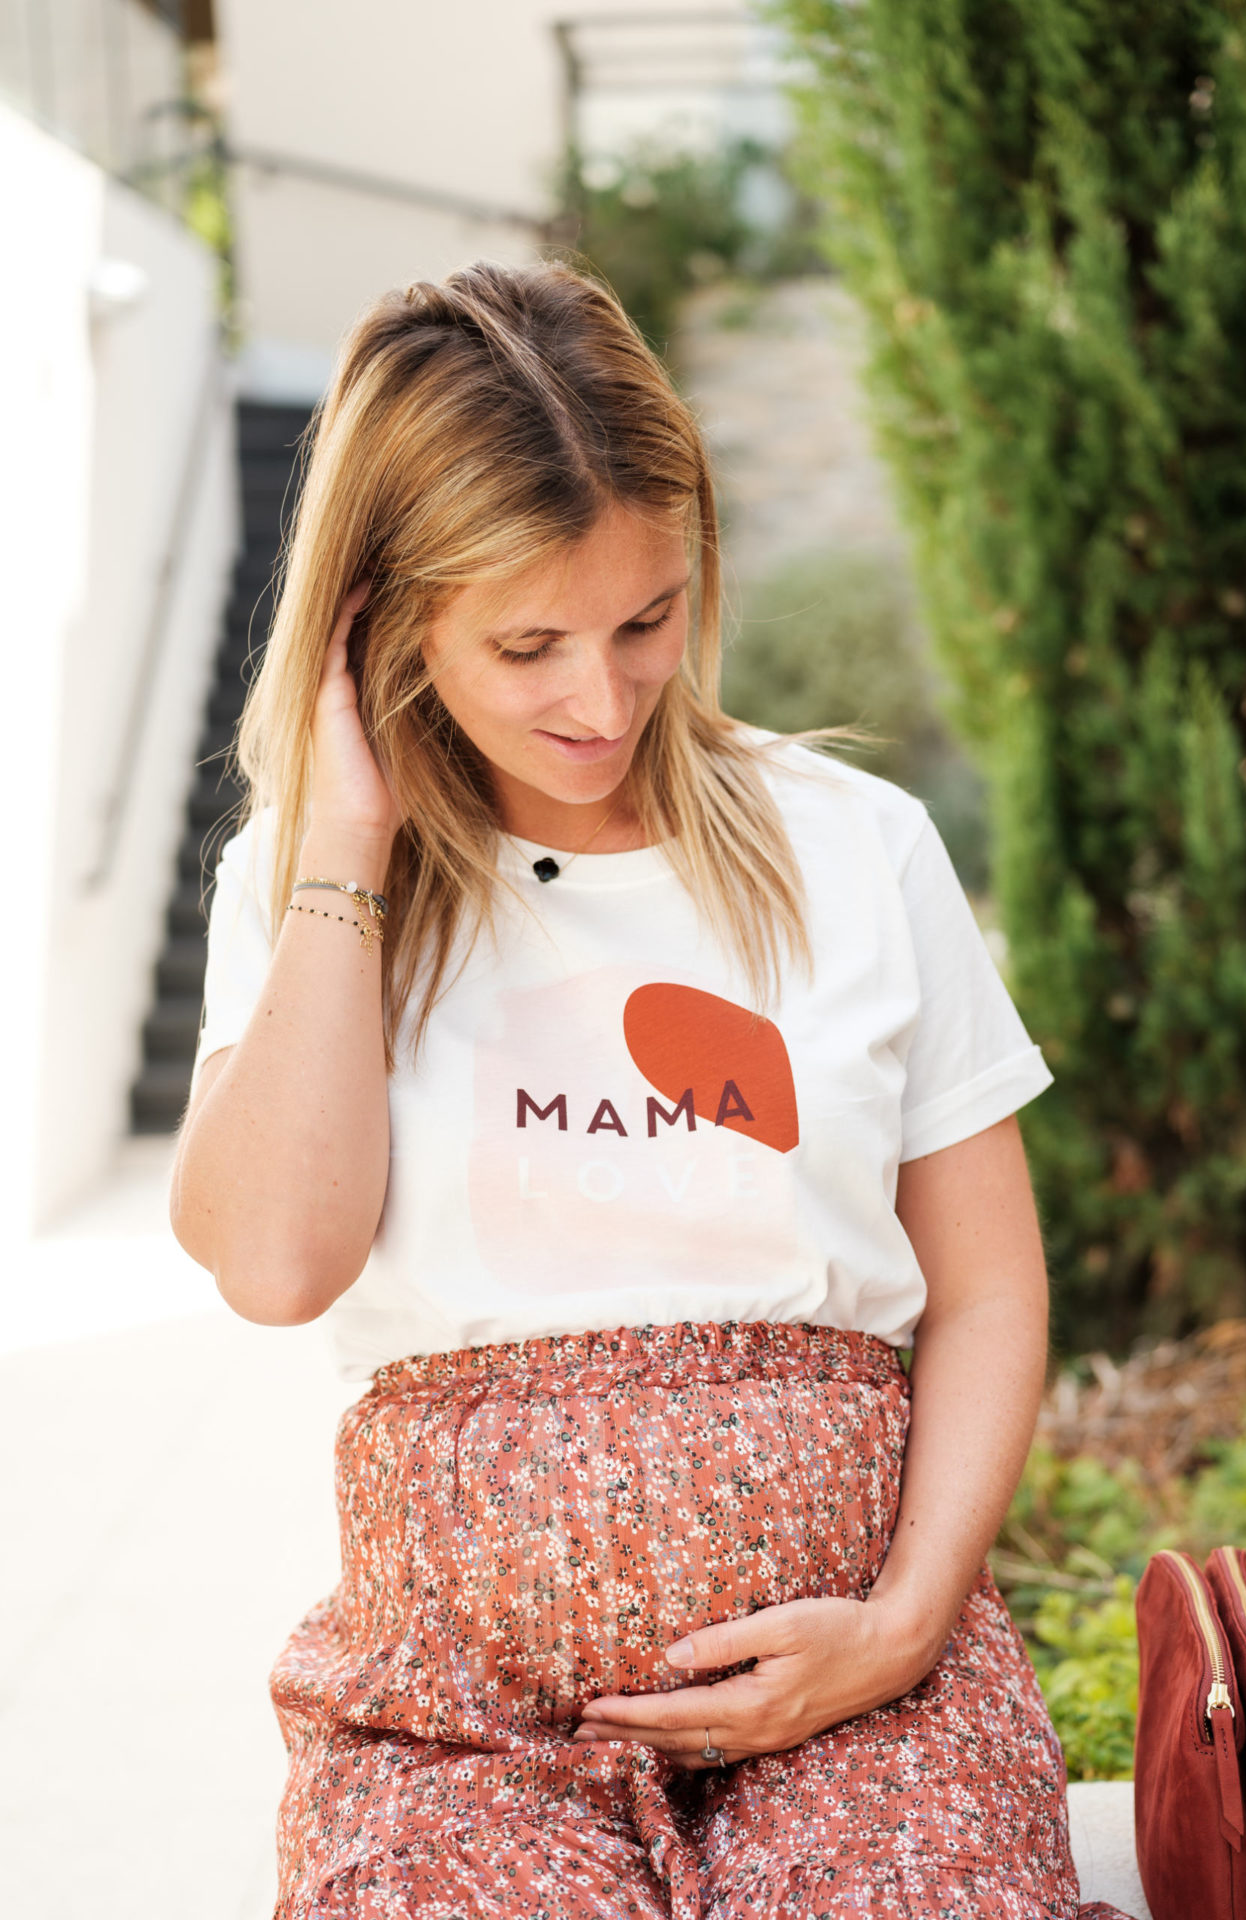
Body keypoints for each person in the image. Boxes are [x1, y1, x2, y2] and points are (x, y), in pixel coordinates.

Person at [171, 258, 1127, 1920]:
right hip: (453, 1729)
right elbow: (274, 1263)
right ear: (383, 617)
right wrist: (344, 849)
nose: (601, 699)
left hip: (865, 1700)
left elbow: (987, 1288)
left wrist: (905, 1626)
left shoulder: (858, 848)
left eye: (646, 620)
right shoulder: (307, 887)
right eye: (527, 643)